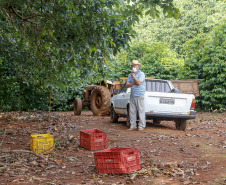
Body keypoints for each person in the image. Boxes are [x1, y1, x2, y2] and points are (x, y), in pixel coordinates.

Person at [126, 60, 146, 131]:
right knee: (132, 111)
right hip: (132, 95)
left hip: (140, 95)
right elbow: (127, 85)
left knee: (141, 111)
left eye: (134, 66)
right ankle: (133, 125)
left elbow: (139, 83)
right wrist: (134, 83)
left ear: (138, 67)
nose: (133, 67)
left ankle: (141, 126)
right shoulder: (129, 75)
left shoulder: (141, 74)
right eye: (132, 66)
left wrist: (134, 78)